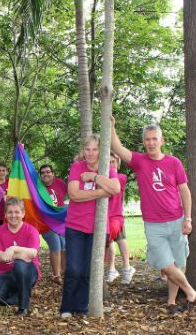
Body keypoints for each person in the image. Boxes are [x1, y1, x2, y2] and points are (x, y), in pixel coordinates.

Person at [111, 118, 196, 315]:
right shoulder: (140, 161)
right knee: (166, 265)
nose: (151, 143)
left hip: (177, 221)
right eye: (147, 139)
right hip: (153, 225)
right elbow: (117, 148)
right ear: (143, 142)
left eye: (154, 139)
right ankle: (191, 293)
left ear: (162, 141)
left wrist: (188, 218)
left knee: (177, 264)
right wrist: (112, 127)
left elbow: (184, 191)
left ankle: (171, 302)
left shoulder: (174, 162)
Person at [60, 135, 120, 317]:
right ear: (83, 150)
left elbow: (116, 188)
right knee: (74, 269)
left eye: (95, 149)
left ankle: (81, 307)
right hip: (76, 225)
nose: (91, 153)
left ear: (100, 151)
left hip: (98, 228)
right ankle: (67, 307)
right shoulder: (77, 167)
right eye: (87, 149)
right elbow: (74, 194)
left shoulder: (106, 169)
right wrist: (103, 191)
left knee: (88, 271)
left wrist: (94, 176)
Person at [0, 198, 40, 316]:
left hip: (29, 271)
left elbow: (32, 253)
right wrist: (21, 254)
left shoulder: (32, 231)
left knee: (20, 264)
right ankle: (23, 291)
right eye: (10, 212)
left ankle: (23, 306)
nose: (13, 215)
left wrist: (12, 249)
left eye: (17, 212)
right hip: (5, 272)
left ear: (23, 213)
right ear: (5, 215)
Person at [106, 153, 136, 284]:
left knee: (120, 240)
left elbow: (111, 187)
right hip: (105, 217)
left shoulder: (121, 177)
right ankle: (112, 269)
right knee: (110, 242)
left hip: (116, 216)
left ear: (118, 164)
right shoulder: (104, 178)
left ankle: (127, 267)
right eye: (108, 162)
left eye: (113, 162)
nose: (110, 165)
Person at [39, 164, 68, 286]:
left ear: (53, 174)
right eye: (43, 173)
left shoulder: (60, 183)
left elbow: (71, 193)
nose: (46, 174)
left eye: (48, 172)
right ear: (40, 176)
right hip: (45, 222)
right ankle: (56, 275)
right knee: (55, 244)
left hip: (60, 222)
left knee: (64, 245)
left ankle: (66, 273)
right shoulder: (37, 187)